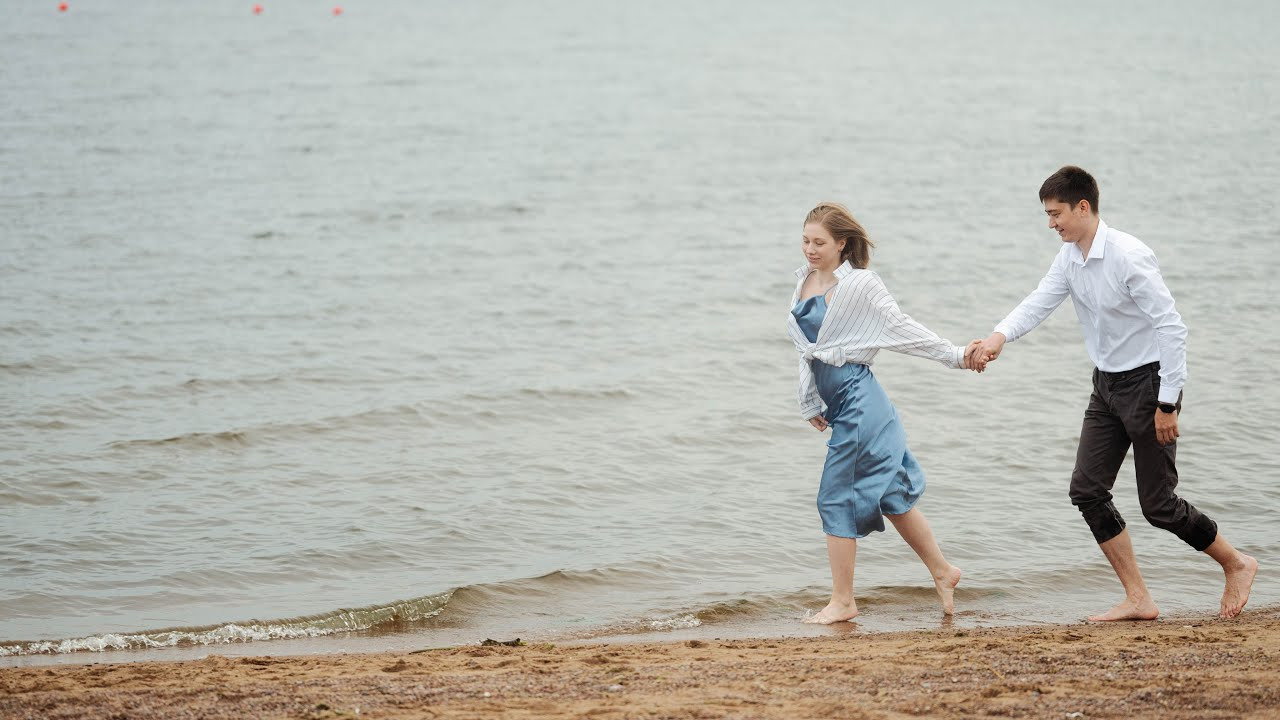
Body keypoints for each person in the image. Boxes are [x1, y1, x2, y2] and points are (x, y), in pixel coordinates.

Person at [967, 166, 1258, 621]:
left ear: (1083, 207)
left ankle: (1237, 564)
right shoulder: (1070, 258)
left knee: (1159, 506)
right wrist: (997, 337)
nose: (1051, 224)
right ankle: (1138, 598)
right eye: (1047, 215)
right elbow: (1039, 300)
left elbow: (1171, 328)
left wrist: (1168, 402)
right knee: (1086, 490)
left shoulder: (1128, 256)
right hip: (1105, 387)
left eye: (1056, 213)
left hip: (1148, 386)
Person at [787, 202, 984, 623]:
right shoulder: (803, 280)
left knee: (835, 496)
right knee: (893, 493)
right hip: (841, 406)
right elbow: (807, 352)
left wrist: (955, 355)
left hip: (861, 402)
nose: (810, 249)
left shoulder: (861, 284)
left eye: (819, 242)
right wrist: (810, 401)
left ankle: (843, 601)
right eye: (805, 240)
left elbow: (902, 328)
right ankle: (943, 571)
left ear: (842, 243)